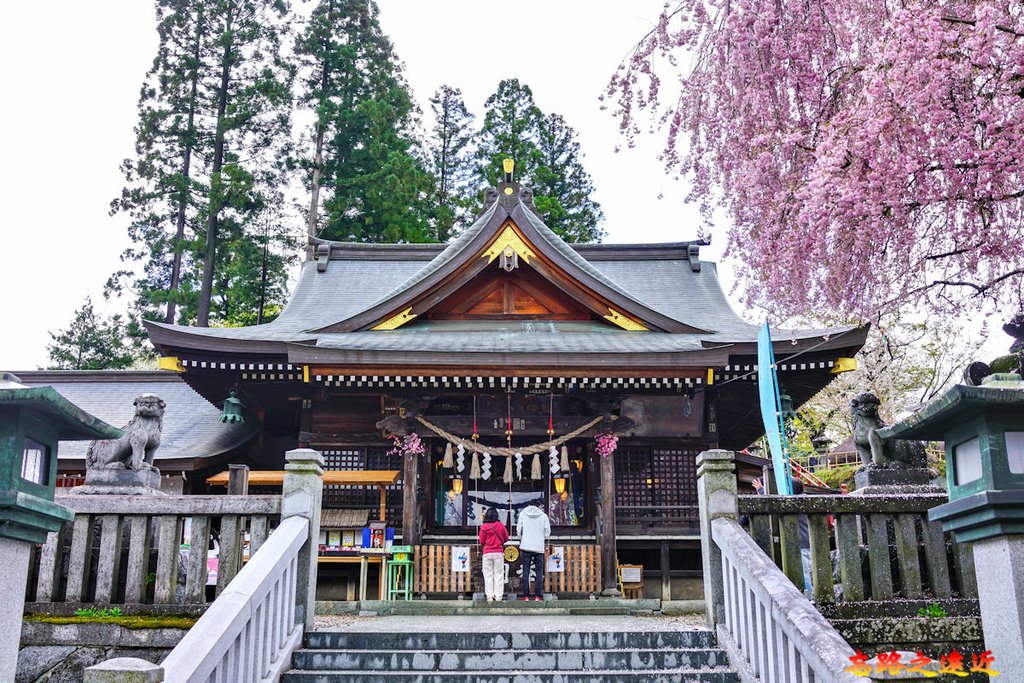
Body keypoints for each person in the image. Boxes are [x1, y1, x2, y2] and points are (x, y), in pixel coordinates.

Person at [752, 476, 812, 598]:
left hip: (801, 542)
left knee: (804, 573)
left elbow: (774, 504)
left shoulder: (798, 501)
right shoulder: (805, 499)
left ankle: (809, 598)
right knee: (805, 572)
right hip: (804, 541)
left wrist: (762, 491)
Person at [516, 505, 551, 601]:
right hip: (539, 548)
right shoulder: (543, 516)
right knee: (539, 572)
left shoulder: (523, 513)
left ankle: (526, 596)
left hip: (526, 547)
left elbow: (518, 530)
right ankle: (537, 596)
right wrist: (540, 538)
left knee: (526, 571)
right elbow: (547, 533)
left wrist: (522, 539)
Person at [478, 507, 509, 602]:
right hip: (498, 553)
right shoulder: (500, 525)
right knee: (499, 575)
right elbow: (506, 538)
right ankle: (498, 597)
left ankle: (489, 596)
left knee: (488, 575)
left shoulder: (484, 527)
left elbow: (481, 541)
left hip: (487, 553)